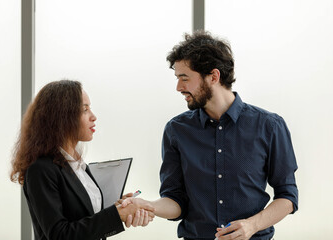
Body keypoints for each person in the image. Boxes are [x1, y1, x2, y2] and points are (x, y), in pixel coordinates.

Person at [122, 31, 298, 240]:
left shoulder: (269, 126)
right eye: (177, 78)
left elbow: (288, 196)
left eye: (184, 78)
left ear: (213, 76)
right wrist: (149, 205)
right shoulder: (176, 130)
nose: (179, 87)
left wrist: (252, 225)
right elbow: (175, 200)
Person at [10, 80, 154, 240]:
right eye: (84, 110)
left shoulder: (78, 166)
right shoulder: (41, 169)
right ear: (62, 116)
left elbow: (85, 218)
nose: (93, 117)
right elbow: (60, 234)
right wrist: (116, 215)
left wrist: (116, 209)